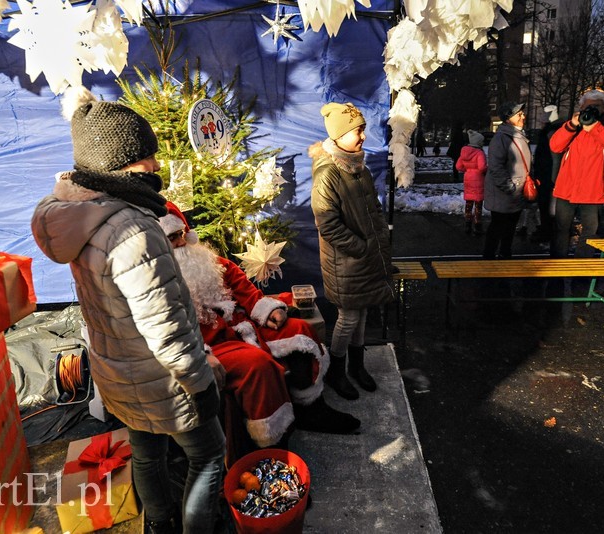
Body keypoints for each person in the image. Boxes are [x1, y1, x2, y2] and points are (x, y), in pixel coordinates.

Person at [31, 87, 224, 533]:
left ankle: (158, 525)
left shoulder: (81, 218)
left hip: (117, 370)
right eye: (146, 157)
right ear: (118, 164)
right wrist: (201, 381)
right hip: (161, 379)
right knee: (209, 455)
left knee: (147, 452)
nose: (156, 166)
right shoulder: (133, 230)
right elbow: (166, 330)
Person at [159, 201, 360, 463]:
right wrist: (199, 355)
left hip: (243, 330)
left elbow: (246, 290)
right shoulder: (160, 281)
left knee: (300, 329)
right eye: (173, 238)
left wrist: (269, 310)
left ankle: (311, 407)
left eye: (183, 234)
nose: (182, 243)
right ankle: (272, 444)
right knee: (258, 365)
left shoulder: (209, 263)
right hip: (209, 346)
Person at [309, 102, 395, 400]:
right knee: (348, 318)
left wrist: (379, 240)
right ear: (340, 133)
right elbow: (328, 225)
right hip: (347, 262)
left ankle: (356, 367)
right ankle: (336, 371)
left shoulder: (359, 168)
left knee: (362, 312)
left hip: (365, 258)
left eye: (363, 129)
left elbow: (374, 210)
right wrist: (362, 248)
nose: (363, 136)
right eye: (358, 130)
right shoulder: (329, 174)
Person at [549, 89, 604, 258]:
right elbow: (555, 146)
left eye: (597, 106)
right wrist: (571, 126)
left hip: (594, 190)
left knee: (590, 231)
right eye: (588, 107)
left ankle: (582, 267)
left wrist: (595, 127)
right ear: (580, 108)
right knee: (561, 229)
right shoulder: (574, 124)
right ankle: (556, 265)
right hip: (567, 187)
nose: (592, 109)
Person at [482, 101, 531, 260]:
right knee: (498, 228)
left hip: (515, 192)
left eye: (522, 113)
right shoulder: (502, 138)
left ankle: (505, 258)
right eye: (519, 114)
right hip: (505, 192)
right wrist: (510, 187)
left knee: (509, 229)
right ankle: (489, 262)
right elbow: (496, 167)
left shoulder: (518, 135)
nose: (523, 116)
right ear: (509, 118)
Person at [531, 104, 564, 242]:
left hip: (548, 176)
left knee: (547, 206)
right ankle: (548, 230)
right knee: (548, 206)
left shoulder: (551, 132)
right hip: (549, 175)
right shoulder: (555, 130)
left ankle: (548, 232)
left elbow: (551, 157)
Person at [455, 129, 487, 235]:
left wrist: (468, 170)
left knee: (468, 203)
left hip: (468, 179)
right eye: (482, 141)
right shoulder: (479, 153)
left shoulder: (464, 152)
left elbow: (458, 166)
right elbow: (482, 167)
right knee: (478, 204)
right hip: (478, 179)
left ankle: (467, 224)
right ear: (478, 142)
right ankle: (477, 226)